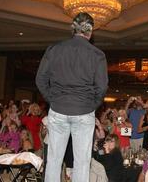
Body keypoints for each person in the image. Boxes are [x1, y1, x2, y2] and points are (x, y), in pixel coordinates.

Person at [36, 12, 108, 182]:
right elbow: (102, 87)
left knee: (53, 160)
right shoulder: (97, 55)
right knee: (82, 162)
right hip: (84, 111)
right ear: (90, 32)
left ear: (73, 29)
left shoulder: (54, 49)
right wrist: (92, 105)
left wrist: (52, 99)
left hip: (58, 109)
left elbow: (40, 79)